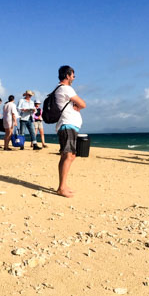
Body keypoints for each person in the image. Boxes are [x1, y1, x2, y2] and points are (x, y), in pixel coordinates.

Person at [54, 65, 86, 198]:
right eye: (73, 75)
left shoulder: (60, 89)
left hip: (69, 125)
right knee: (68, 155)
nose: (74, 77)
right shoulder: (66, 88)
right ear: (67, 75)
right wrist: (78, 105)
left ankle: (63, 185)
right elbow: (83, 104)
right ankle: (61, 188)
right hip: (67, 125)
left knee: (69, 155)